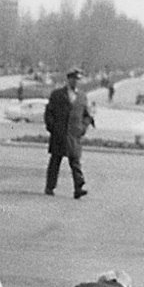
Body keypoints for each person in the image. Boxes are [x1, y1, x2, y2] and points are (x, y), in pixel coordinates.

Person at [43, 67, 95, 199]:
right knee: (55, 161)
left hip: (74, 135)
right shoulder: (57, 94)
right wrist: (52, 127)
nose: (76, 82)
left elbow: (87, 116)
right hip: (59, 134)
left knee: (75, 162)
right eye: (73, 79)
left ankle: (79, 188)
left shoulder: (82, 97)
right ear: (68, 79)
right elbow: (49, 112)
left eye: (78, 80)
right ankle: (50, 187)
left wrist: (82, 128)